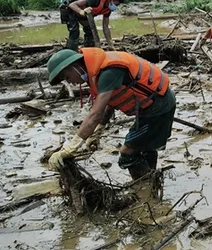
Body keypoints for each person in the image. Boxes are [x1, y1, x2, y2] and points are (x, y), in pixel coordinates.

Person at [45, 48, 175, 181]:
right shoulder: (97, 71)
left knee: (127, 152)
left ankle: (144, 187)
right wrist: (99, 130)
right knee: (145, 146)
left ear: (75, 66)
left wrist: (71, 147)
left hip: (158, 107)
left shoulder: (108, 72)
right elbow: (110, 102)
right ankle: (151, 181)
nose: (70, 82)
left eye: (67, 77)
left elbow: (95, 114)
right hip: (153, 104)